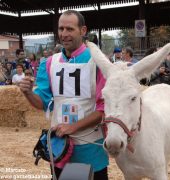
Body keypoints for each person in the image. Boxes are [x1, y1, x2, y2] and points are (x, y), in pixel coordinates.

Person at [19, 10, 108, 179]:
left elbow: (104, 108)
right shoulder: (49, 63)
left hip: (89, 147)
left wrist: (73, 127)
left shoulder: (98, 62)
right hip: (59, 148)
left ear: (83, 31)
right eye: (61, 29)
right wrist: (28, 93)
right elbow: (42, 102)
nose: (64, 34)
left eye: (70, 29)